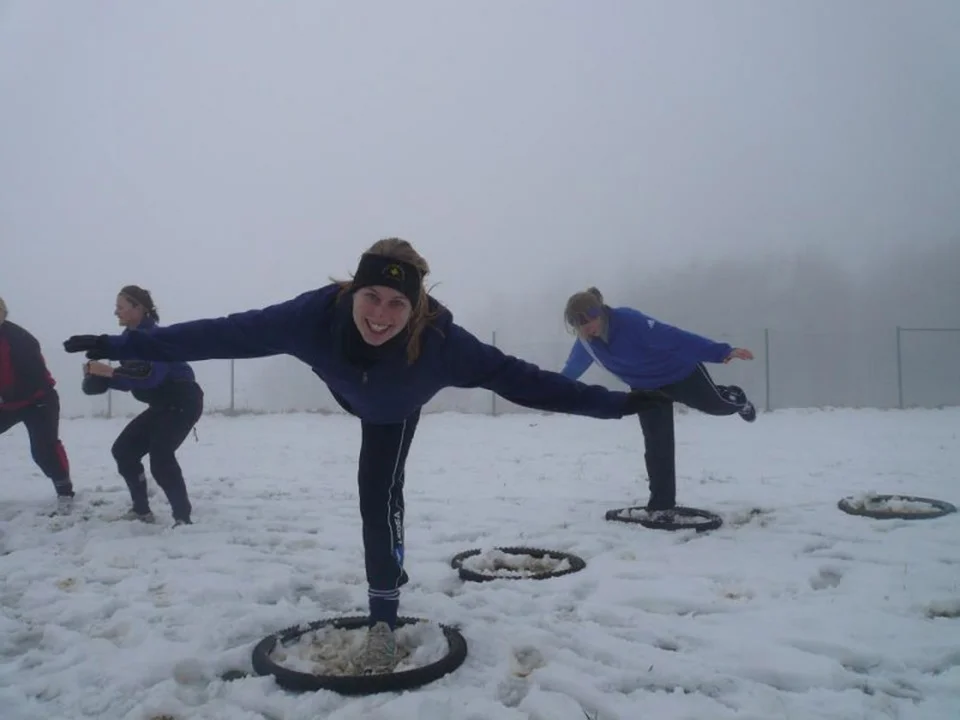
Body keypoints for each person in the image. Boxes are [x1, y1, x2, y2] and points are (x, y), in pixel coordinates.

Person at [64, 238, 658, 675]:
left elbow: (528, 382)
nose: (380, 314)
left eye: (397, 304)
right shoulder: (311, 318)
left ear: (416, 308)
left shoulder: (445, 345)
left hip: (393, 408)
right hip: (352, 389)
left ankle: (384, 610)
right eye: (371, 296)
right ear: (353, 290)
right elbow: (221, 334)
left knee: (378, 495)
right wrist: (123, 343)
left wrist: (616, 405)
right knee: (381, 492)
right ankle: (389, 568)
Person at [560, 287, 757, 513]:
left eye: (589, 324)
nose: (587, 331)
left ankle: (737, 400)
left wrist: (722, 352)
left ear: (600, 314)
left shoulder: (630, 322)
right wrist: (551, 391)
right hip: (646, 388)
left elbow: (675, 338)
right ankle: (661, 505)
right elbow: (571, 370)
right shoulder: (585, 343)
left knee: (717, 406)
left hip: (679, 374)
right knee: (657, 444)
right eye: (580, 328)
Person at [82, 286, 203, 527]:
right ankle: (141, 511)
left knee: (160, 457)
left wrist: (109, 372)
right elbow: (131, 381)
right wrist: (100, 380)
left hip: (183, 402)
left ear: (139, 308)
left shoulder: (156, 339)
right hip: (161, 405)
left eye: (120, 307)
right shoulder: (128, 342)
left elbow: (150, 377)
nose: (116, 312)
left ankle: (183, 517)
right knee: (124, 451)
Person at [0, 296, 75, 514]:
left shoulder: (20, 340)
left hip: (38, 400)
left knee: (44, 449)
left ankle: (65, 492)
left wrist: (5, 397)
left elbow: (34, 377)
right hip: (8, 403)